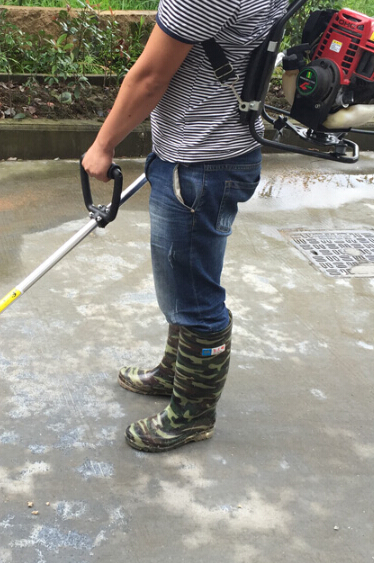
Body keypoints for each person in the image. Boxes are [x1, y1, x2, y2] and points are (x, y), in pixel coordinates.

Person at [82, 0, 287, 453]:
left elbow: (151, 77)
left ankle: (193, 414)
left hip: (200, 164)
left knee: (194, 297)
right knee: (182, 285)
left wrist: (102, 145)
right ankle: (176, 371)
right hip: (219, 152)